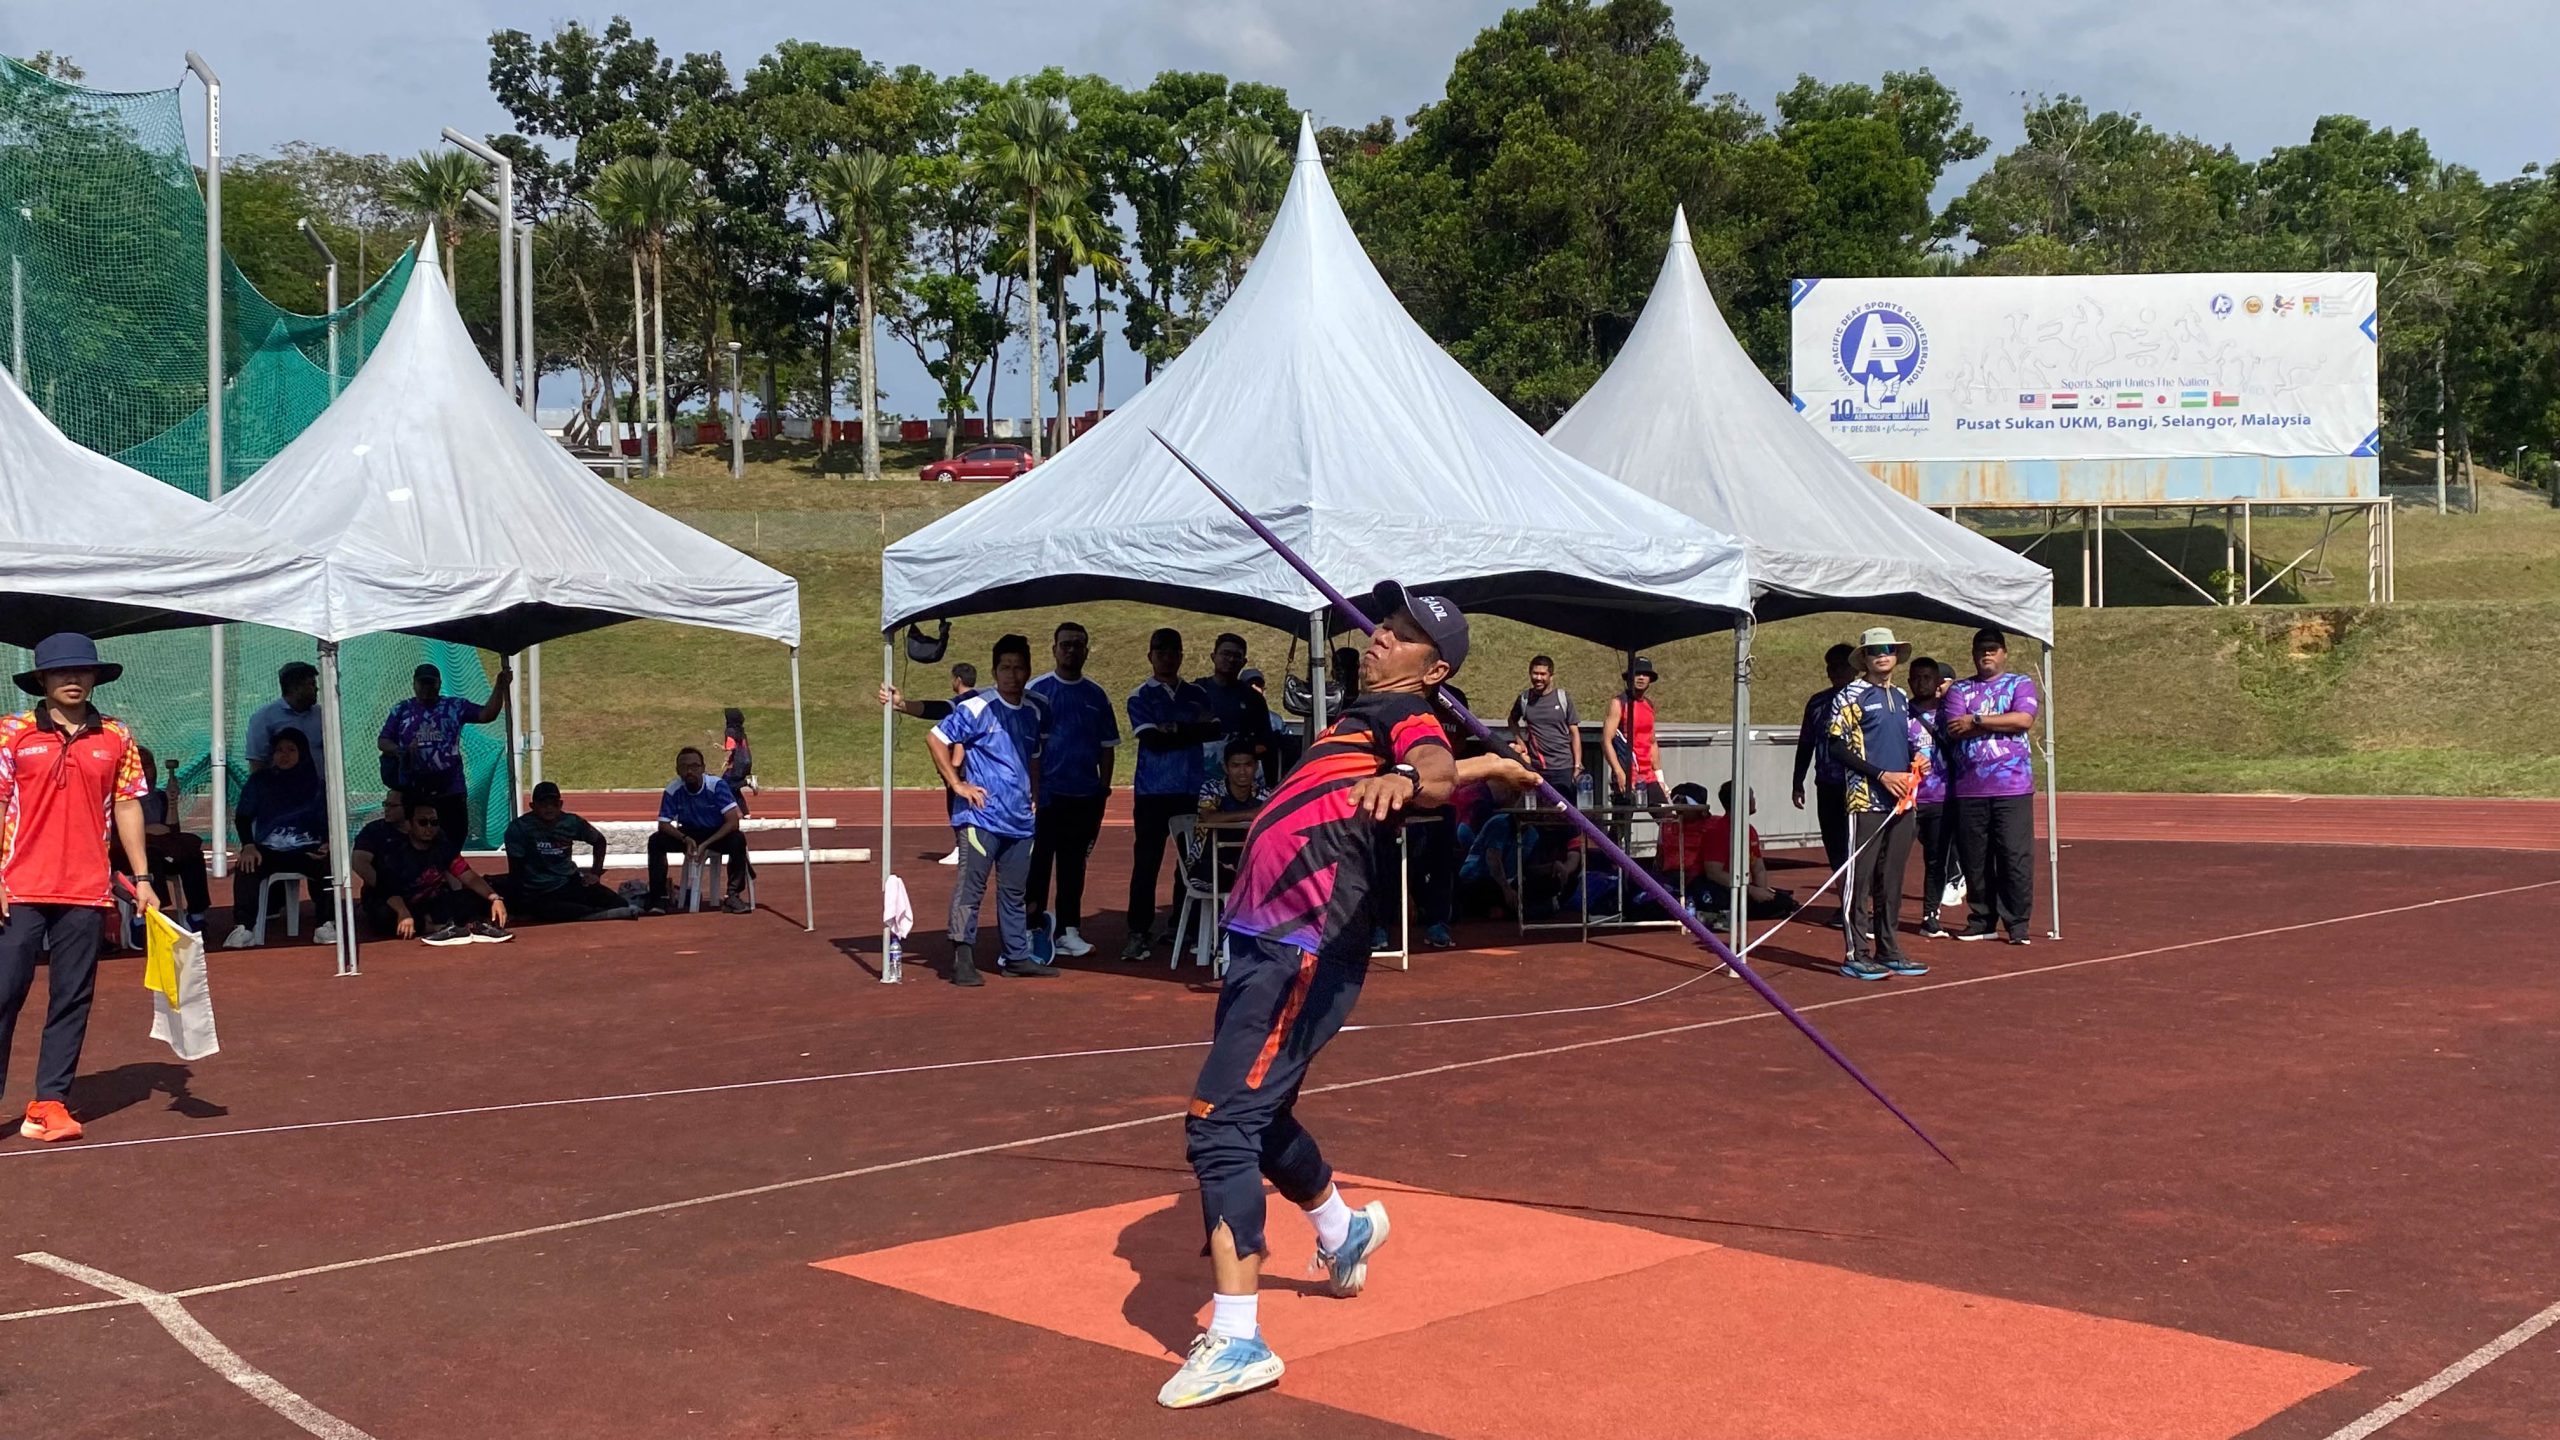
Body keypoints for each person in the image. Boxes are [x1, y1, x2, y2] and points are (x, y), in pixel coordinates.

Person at [1161, 584, 1538, 1408]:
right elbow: (1440, 768)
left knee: (1219, 1126)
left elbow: (1429, 770)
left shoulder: (1404, 716)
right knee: (1260, 1115)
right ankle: (1343, 1230)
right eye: (1380, 625)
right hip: (1261, 938)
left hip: (1301, 944)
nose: (1377, 637)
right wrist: (1491, 765)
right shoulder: (1362, 718)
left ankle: (1238, 1339)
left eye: (1399, 635)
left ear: (1432, 670)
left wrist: (1418, 775)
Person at [0, 634, 157, 1143]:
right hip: (19, 887)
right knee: (4, 992)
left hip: (87, 890)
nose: (72, 679)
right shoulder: (11, 733)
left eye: (82, 671)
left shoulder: (116, 735)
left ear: (95, 678)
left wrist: (142, 878)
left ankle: (49, 1104)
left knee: (72, 998)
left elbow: (127, 803)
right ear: (41, 680)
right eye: (61, 672)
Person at [928, 635, 1053, 985]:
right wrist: (957, 784)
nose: (1012, 675)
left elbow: (1034, 756)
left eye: (1019, 668)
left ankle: (1017, 957)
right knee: (971, 888)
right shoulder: (976, 707)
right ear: (995, 671)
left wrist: (1034, 793)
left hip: (1020, 820)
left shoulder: (1035, 710)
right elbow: (936, 738)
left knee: (1014, 892)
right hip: (981, 816)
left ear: (1028, 670)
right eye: (1005, 668)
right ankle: (962, 958)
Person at [1825, 628, 1930, 982]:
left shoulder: (1900, 697)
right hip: (1865, 798)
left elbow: (1905, 740)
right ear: (1864, 659)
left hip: (1902, 801)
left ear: (1896, 655)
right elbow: (1836, 746)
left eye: (1888, 649)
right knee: (1860, 877)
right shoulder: (1850, 695)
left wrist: (1919, 759)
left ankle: (1889, 948)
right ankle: (1856, 952)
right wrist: (1881, 775)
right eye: (1874, 651)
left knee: (1892, 877)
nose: (1882, 655)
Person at [1123, 629, 1221, 961]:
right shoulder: (1140, 695)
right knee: (1146, 863)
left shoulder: (1196, 693)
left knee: (1189, 864)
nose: (1167, 658)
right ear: (1150, 656)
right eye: (1160, 652)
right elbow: (1152, 739)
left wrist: (1174, 728)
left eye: (1172, 652)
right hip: (1152, 792)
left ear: (1181, 656)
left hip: (1190, 789)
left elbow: (1214, 729)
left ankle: (1181, 925)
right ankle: (1138, 931)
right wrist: (1190, 730)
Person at [1942, 628, 2043, 945]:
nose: (1987, 654)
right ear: (1973, 654)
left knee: (2014, 856)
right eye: (1981, 649)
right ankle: (1982, 919)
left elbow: (2023, 720)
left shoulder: (2020, 683)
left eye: (1993, 648)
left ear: (2003, 653)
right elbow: (1954, 727)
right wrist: (2001, 721)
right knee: (1975, 858)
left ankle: (2017, 923)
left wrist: (1977, 721)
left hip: (2012, 787)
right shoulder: (1959, 689)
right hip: (1970, 787)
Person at [1027, 622, 1118, 960]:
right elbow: (1027, 744)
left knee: (1073, 867)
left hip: (1084, 797)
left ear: (1086, 651)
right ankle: (1032, 928)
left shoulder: (1096, 695)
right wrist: (1033, 790)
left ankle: (1068, 930)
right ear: (1054, 649)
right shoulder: (1037, 692)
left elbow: (1107, 745)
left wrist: (1103, 788)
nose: (1071, 650)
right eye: (1065, 644)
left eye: (1078, 644)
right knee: (1037, 866)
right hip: (1046, 797)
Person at [352, 791, 512, 945]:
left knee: (472, 897)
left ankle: (468, 926)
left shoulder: (442, 845)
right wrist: (403, 912)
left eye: (434, 822)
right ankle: (439, 928)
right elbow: (387, 887)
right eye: (422, 822)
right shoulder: (394, 851)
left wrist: (494, 898)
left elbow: (467, 875)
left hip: (429, 900)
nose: (429, 828)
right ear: (409, 824)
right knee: (384, 917)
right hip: (398, 901)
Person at [226, 727, 336, 949]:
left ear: (302, 753)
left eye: (291, 750)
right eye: (279, 750)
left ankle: (325, 924)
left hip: (306, 850)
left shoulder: (316, 784)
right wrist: (248, 845)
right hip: (268, 851)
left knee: (328, 864)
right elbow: (243, 817)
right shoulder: (259, 781)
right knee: (246, 865)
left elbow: (326, 818)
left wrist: (326, 842)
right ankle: (244, 927)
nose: (284, 755)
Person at [377, 661, 511, 839]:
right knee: (417, 838)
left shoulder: (454, 706)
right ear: (414, 684)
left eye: (431, 683)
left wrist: (500, 687)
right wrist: (400, 751)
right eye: (422, 683)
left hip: (450, 787)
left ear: (439, 684)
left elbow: (487, 714)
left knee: (453, 837)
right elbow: (383, 741)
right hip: (414, 788)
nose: (426, 688)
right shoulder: (401, 709)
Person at [498, 782, 636, 923]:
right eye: (543, 804)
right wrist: (516, 903)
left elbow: (599, 841)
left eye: (554, 804)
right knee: (557, 910)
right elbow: (515, 869)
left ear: (560, 804)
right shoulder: (519, 828)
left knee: (618, 902)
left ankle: (595, 912)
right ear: (533, 806)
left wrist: (595, 873)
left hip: (568, 883)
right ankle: (593, 914)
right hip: (538, 890)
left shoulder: (571, 822)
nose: (549, 808)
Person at [644, 747, 753, 915]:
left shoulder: (716, 786)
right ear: (677, 770)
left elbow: (733, 822)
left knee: (737, 839)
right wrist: (685, 839)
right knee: (656, 841)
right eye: (684, 767)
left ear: (703, 768)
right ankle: (658, 897)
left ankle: (733, 895)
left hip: (716, 833)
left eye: (694, 766)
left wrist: (706, 844)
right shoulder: (673, 789)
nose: (689, 771)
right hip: (689, 833)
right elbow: (663, 824)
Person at [1793, 642, 1858, 877]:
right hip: (1827, 783)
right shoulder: (1817, 702)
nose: (1836, 671)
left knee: (1858, 843)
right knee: (1834, 843)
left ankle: (1862, 894)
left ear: (1854, 668)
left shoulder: (1865, 698)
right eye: (1831, 667)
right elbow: (1806, 742)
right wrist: (1797, 781)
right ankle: (1843, 893)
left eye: (1842, 666)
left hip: (1858, 784)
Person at [130, 747, 210, 934]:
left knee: (192, 856)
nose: (145, 771)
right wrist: (146, 831)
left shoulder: (159, 797)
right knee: (150, 855)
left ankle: (196, 914)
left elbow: (172, 831)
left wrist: (172, 802)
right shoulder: (121, 799)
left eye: (148, 765)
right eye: (139, 765)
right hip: (133, 856)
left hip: (163, 850)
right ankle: (147, 918)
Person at [1907, 657, 1958, 938]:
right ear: (1909, 682)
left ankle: (1930, 915)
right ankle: (1881, 914)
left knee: (1937, 860)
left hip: (1941, 797)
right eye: (1916, 677)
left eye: (1927, 677)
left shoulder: (1949, 713)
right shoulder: (1901, 714)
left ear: (1938, 682)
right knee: (1892, 859)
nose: (1922, 682)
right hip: (1909, 798)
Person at [1186, 739, 1270, 892]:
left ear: (1256, 766)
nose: (1242, 771)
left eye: (1248, 765)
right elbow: (1209, 818)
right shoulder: (1211, 789)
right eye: (1235, 766)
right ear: (1226, 768)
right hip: (1207, 865)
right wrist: (1249, 814)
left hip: (1247, 864)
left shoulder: (1265, 794)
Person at [1507, 655, 1582, 806]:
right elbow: (1512, 721)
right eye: (1535, 673)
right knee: (1538, 813)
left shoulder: (1563, 698)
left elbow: (1574, 733)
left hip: (1564, 768)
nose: (1538, 678)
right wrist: (1520, 741)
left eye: (1543, 674)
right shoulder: (1524, 699)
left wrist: (1577, 765)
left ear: (1551, 676)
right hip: (1537, 769)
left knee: (1566, 813)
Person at [1197, 633, 1274, 776]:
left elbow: (1265, 742)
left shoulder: (1254, 698)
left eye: (1237, 656)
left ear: (1244, 662)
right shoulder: (1195, 691)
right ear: (1213, 657)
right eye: (1226, 654)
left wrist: (1242, 753)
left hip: (1241, 775)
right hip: (1200, 771)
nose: (1231, 659)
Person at [1600, 657, 1664, 807]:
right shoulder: (1619, 703)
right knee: (1623, 819)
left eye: (1645, 674)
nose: (1641, 678)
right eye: (1637, 674)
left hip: (1648, 776)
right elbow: (1606, 740)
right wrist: (1619, 772)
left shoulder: (1648, 704)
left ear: (1650, 679)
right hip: (1627, 773)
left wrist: (1660, 777)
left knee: (1666, 817)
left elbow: (1652, 741)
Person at [245, 660, 326, 774]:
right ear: (295, 688)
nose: (316, 689)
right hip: (281, 785)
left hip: (321, 784)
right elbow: (257, 763)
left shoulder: (321, 715)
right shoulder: (264, 718)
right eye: (311, 684)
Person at [719, 708, 757, 817]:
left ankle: (748, 782)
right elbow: (738, 747)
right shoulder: (741, 731)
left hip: (738, 763)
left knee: (724, 784)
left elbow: (731, 747)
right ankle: (746, 814)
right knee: (734, 789)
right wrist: (728, 759)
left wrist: (724, 752)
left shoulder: (730, 730)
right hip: (746, 760)